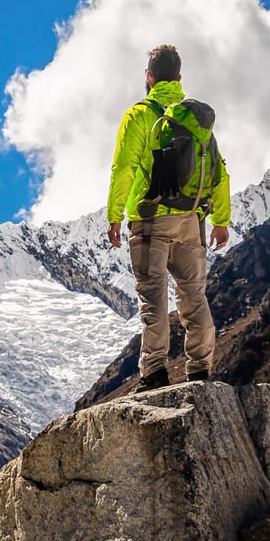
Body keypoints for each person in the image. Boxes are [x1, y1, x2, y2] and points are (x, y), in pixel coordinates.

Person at [107, 44, 230, 391]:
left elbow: (124, 167)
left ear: (148, 77)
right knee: (194, 295)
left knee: (153, 296)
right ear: (179, 77)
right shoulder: (194, 119)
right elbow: (219, 171)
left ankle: (155, 371)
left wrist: (115, 215)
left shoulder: (139, 115)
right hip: (192, 220)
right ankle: (200, 369)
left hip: (150, 220)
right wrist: (221, 220)